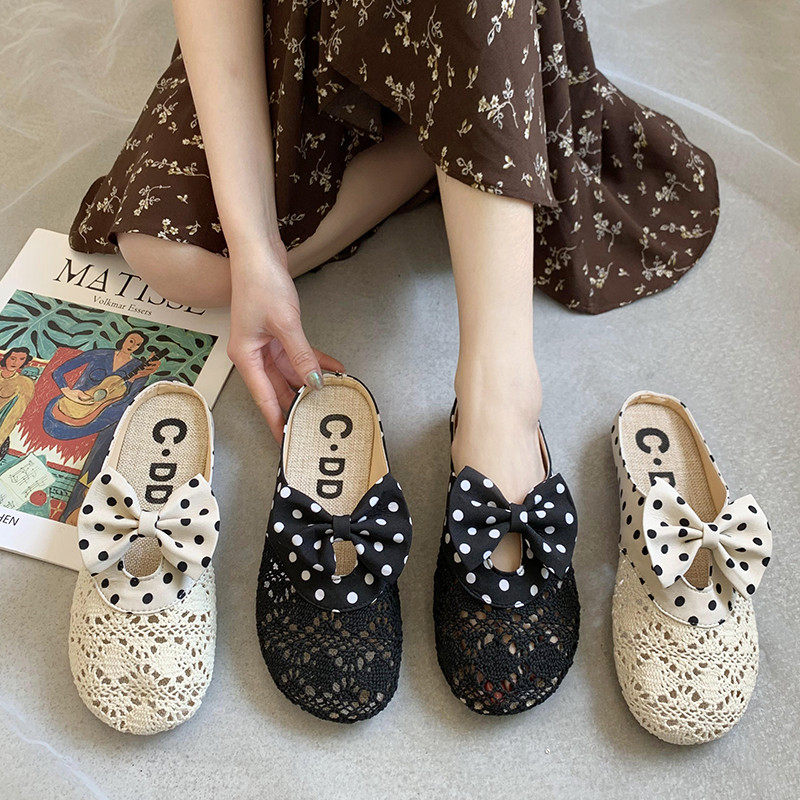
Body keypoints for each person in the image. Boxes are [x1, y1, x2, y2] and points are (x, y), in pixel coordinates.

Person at [67, 1, 718, 568]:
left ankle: (501, 399)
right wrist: (256, 251)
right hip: (299, 18)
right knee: (172, 257)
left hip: (476, 20)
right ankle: (455, 144)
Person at [44, 331, 161, 522]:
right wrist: (68, 391)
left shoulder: (137, 368)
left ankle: (82, 502)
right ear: (124, 339)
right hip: (73, 407)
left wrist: (136, 379)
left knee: (115, 426)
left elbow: (129, 401)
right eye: (131, 340)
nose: (132, 345)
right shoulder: (100, 354)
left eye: (137, 344)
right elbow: (58, 371)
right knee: (58, 421)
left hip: (108, 413)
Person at [0, 347, 36, 452]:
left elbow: (14, 414)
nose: (15, 363)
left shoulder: (25, 383)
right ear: (6, 358)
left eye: (21, 359)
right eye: (13, 358)